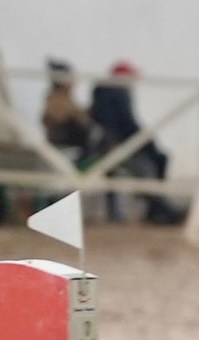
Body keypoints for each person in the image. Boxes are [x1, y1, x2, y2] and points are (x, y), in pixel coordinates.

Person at [89, 60, 185, 224]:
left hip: (114, 147)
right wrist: (147, 143)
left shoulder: (105, 95)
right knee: (149, 167)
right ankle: (158, 208)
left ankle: (157, 207)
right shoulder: (117, 95)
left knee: (153, 162)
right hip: (116, 148)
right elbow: (128, 125)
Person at [41, 57, 92, 160]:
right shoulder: (56, 99)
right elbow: (55, 119)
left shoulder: (66, 98)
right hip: (64, 144)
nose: (73, 81)